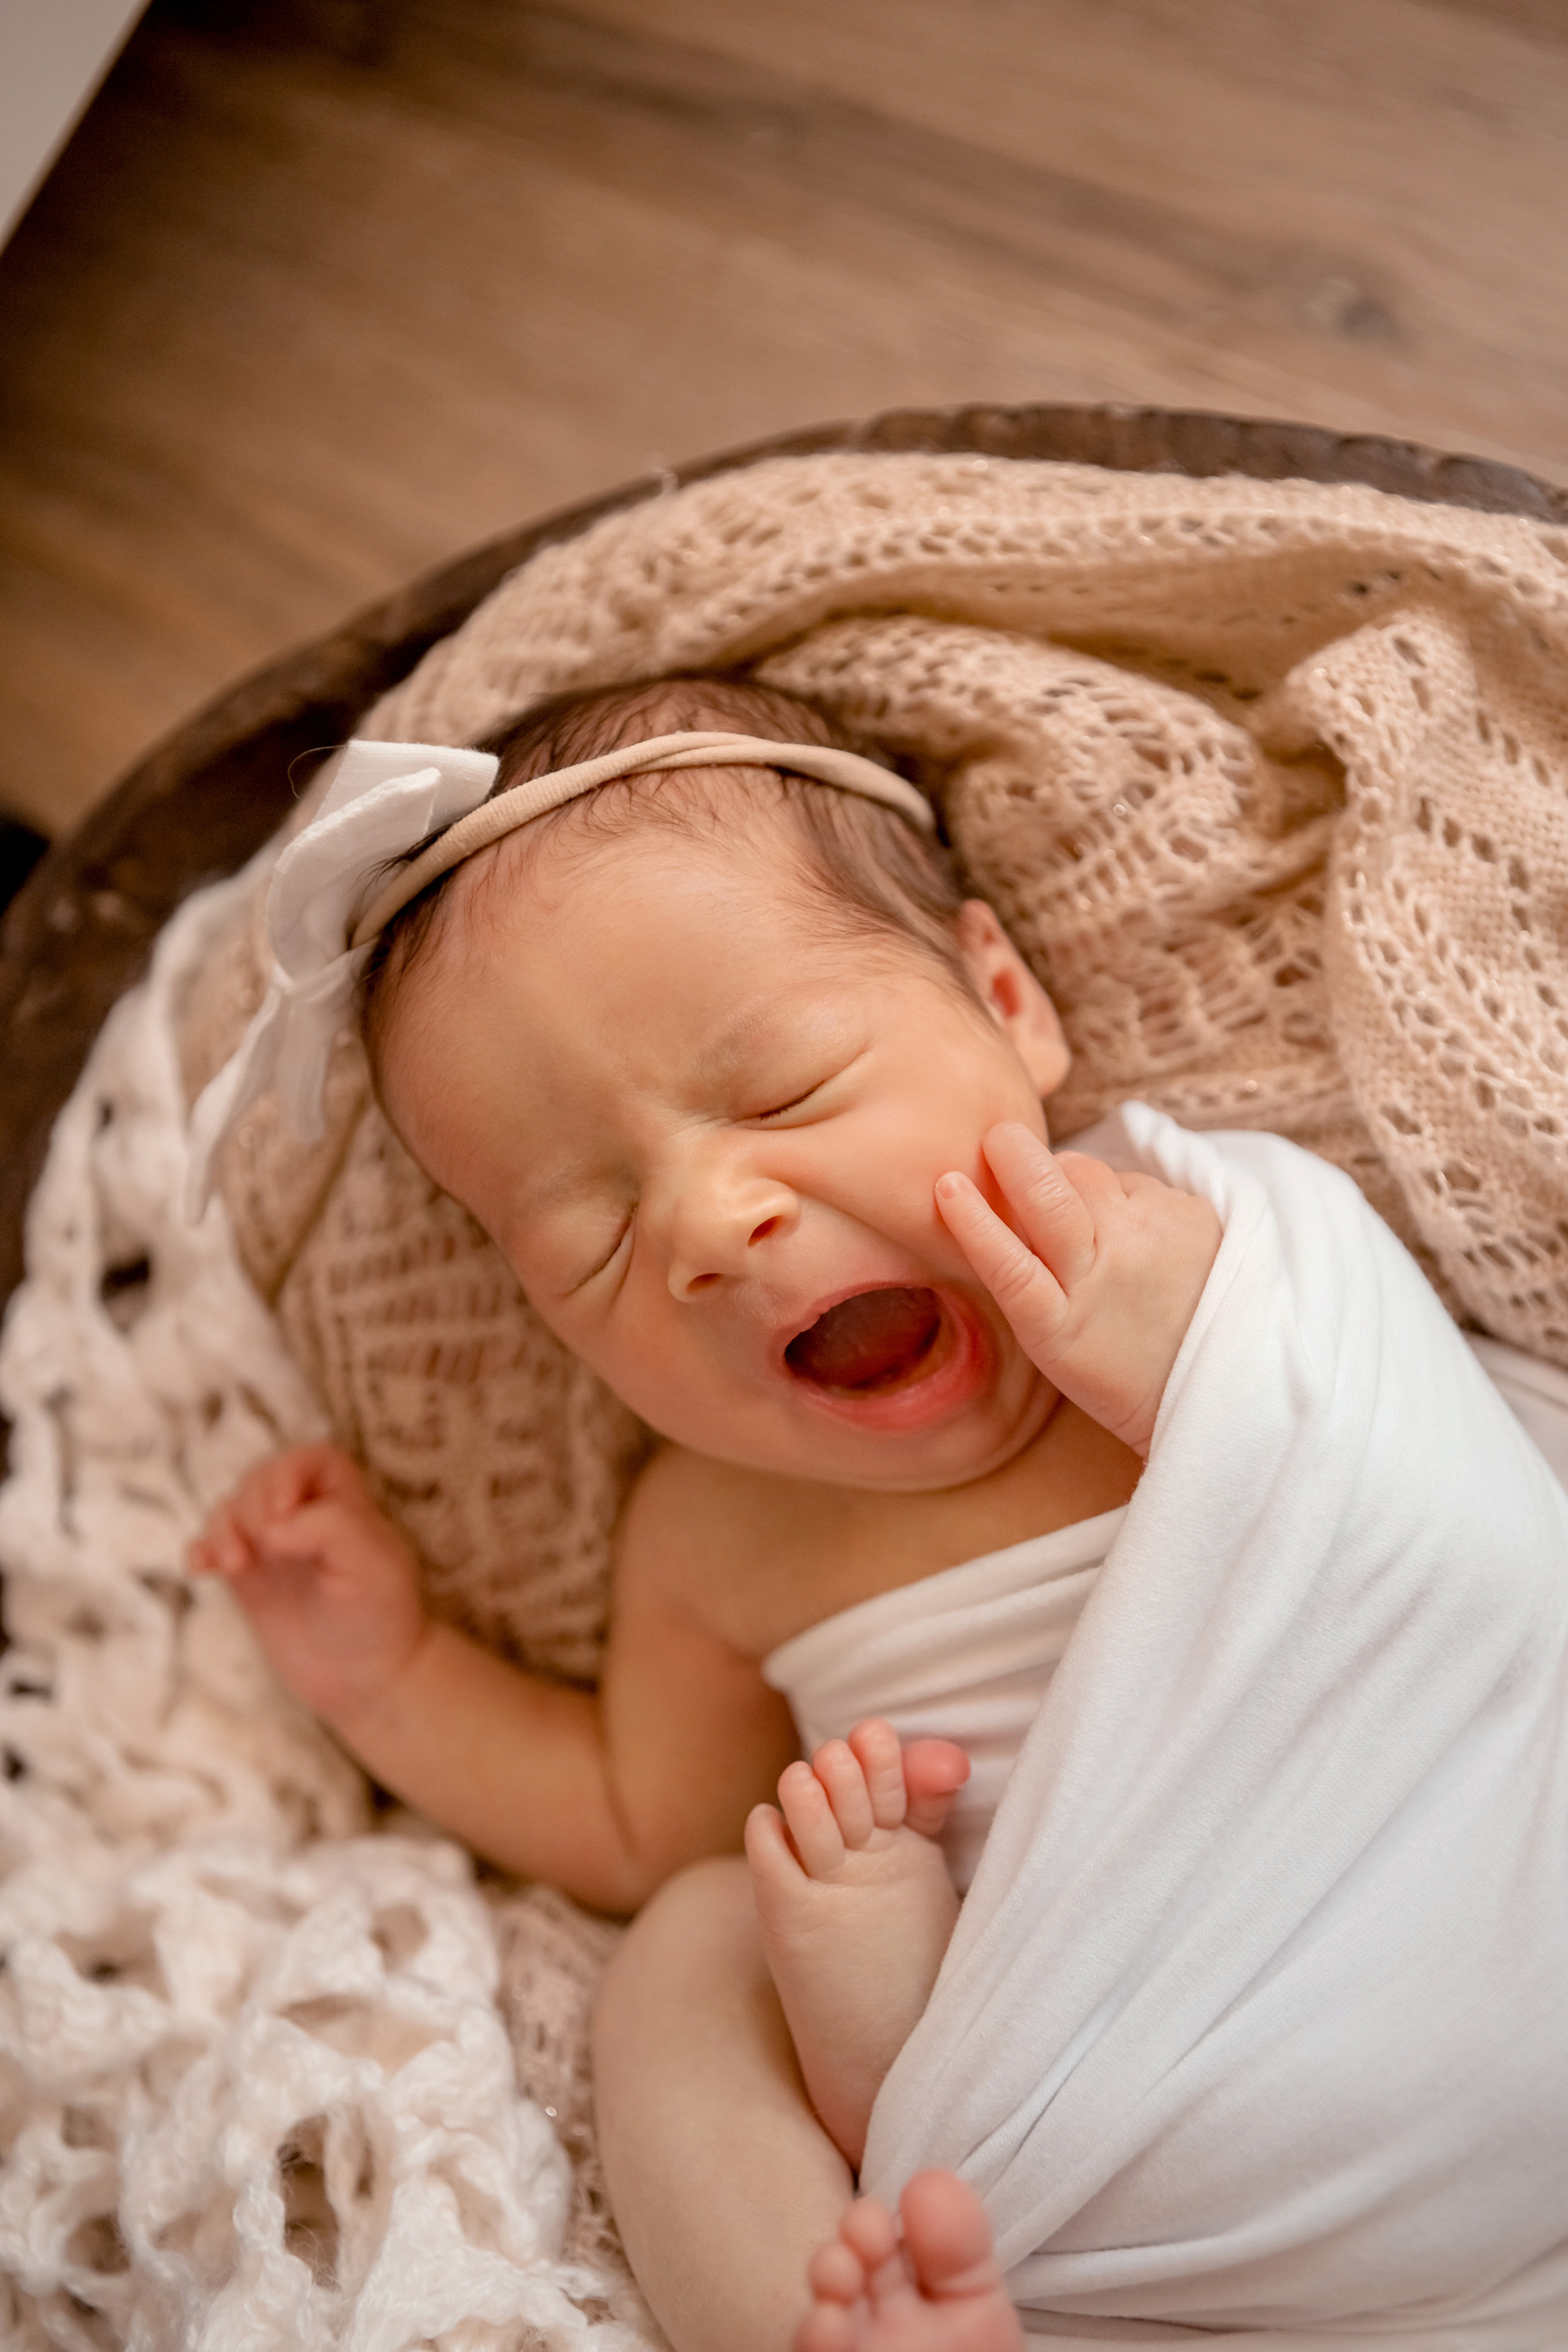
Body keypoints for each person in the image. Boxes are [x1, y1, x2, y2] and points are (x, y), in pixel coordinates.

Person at [189, 673, 1567, 2351]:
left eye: (782, 1094)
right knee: (696, 1949)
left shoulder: (1212, 1257)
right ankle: (840, 2302)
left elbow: (1461, 1529)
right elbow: (644, 1829)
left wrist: (1213, 1375)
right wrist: (384, 1673)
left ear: (1006, 1001)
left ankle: (891, 2045)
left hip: (1494, 1958)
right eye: (592, 1233)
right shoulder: (709, 1537)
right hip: (1119, 2187)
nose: (713, 1217)